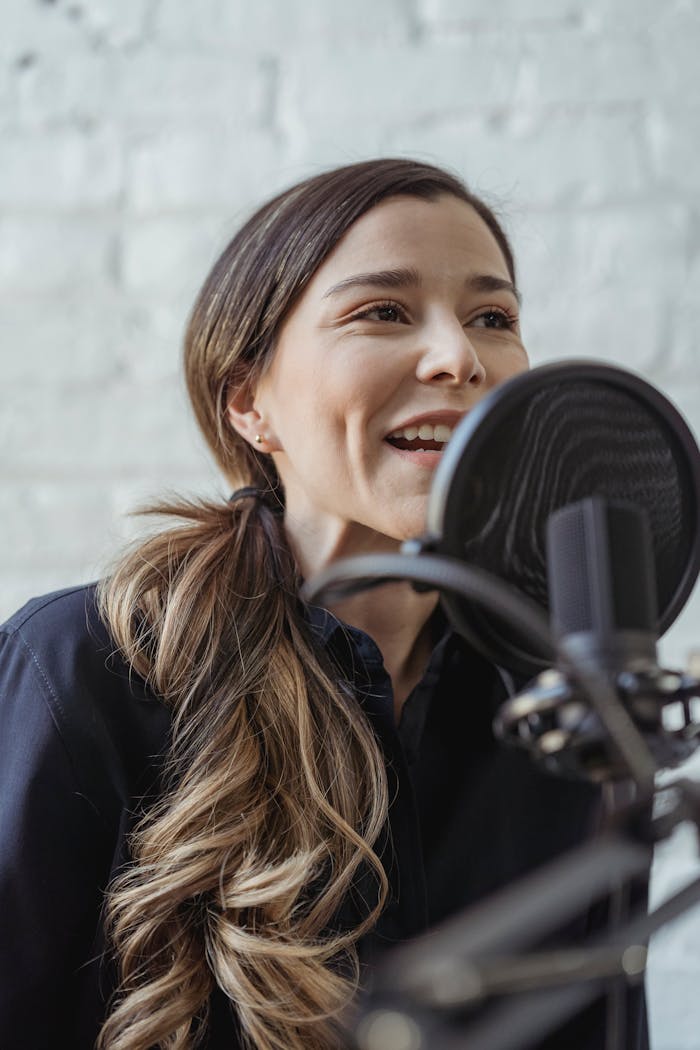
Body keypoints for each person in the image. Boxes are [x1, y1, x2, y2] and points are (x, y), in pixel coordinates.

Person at [0, 158, 648, 1049]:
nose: (459, 356)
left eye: (492, 318)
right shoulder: (81, 667)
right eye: (383, 310)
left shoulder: (562, 712)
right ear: (248, 401)